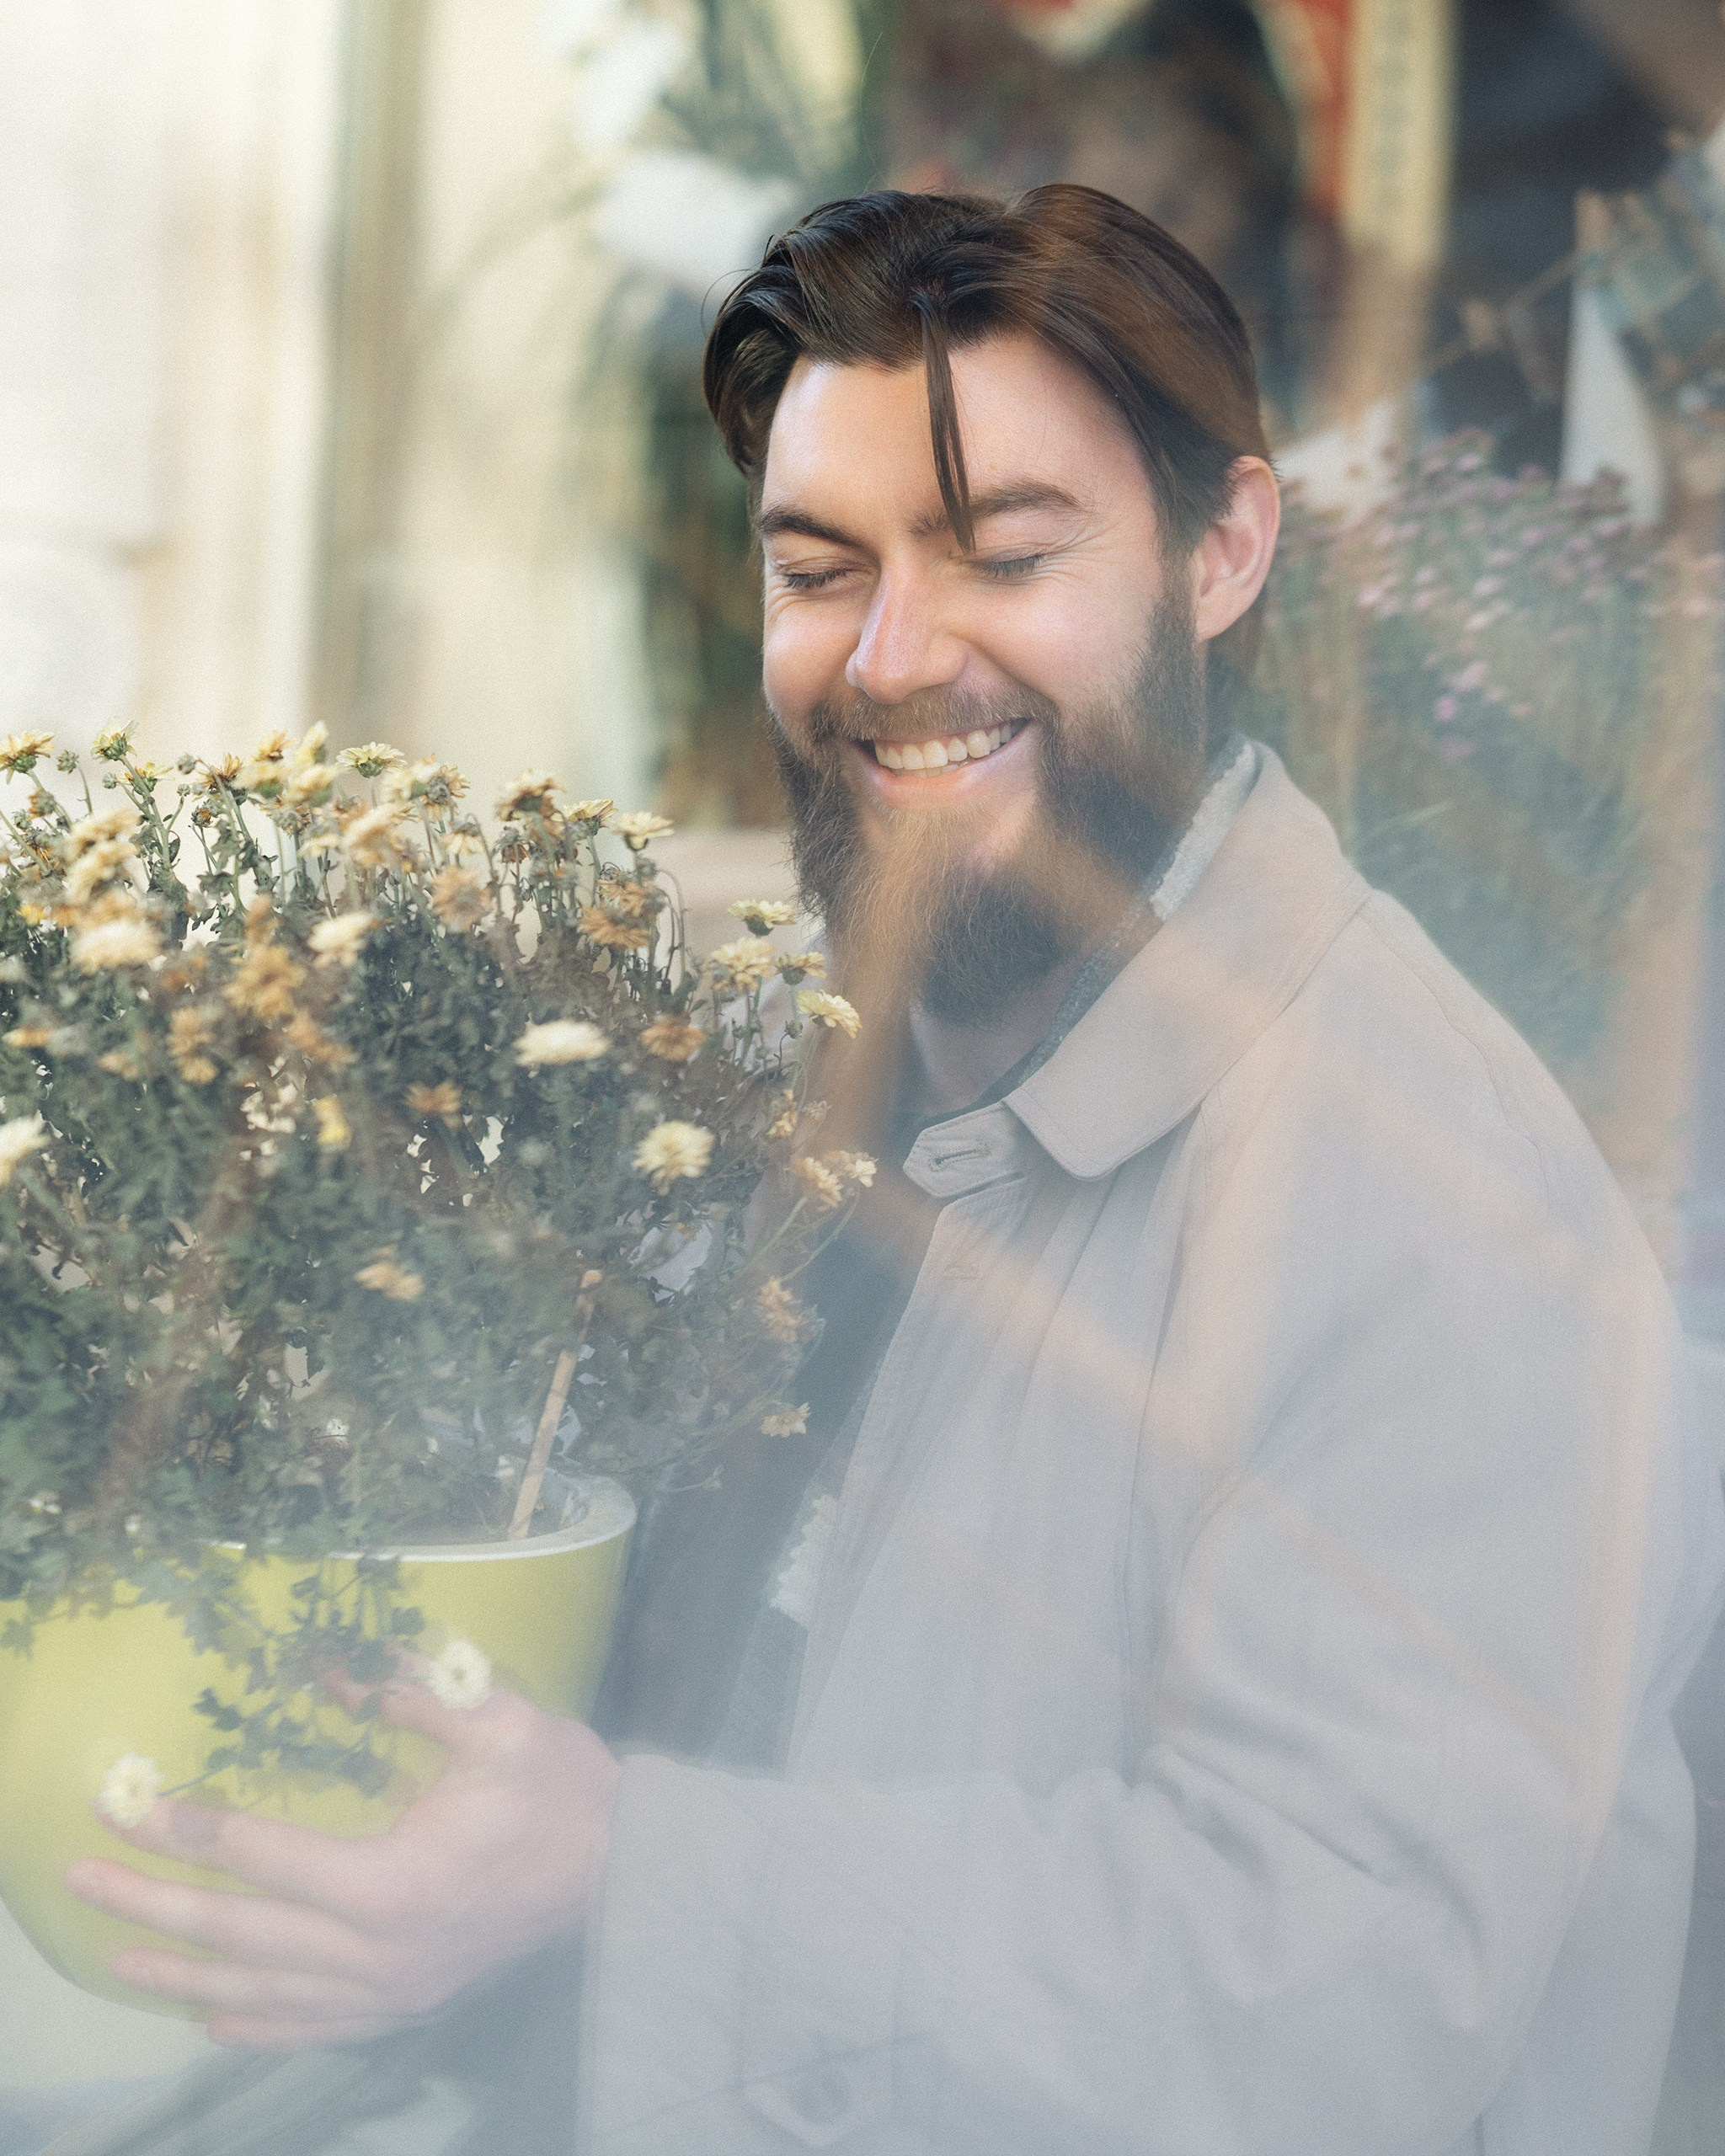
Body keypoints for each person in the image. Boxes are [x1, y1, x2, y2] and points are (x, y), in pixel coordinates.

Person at [62, 186, 1725, 2156]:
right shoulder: (807, 1065)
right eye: (816, 566)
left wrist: (618, 1868)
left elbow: (1322, 1999)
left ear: (1224, 552)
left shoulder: (1446, 1203)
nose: (891, 655)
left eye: (1004, 552)